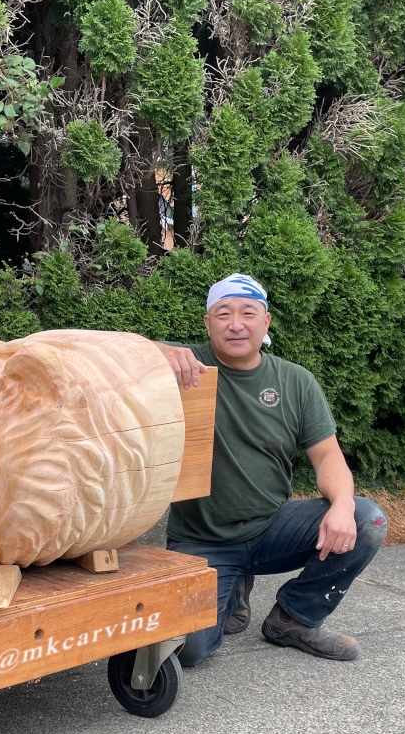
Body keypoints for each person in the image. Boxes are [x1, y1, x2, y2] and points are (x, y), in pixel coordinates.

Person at [155, 273, 388, 666]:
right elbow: (104, 351)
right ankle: (231, 591)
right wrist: (156, 349)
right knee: (187, 651)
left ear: (266, 321)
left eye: (248, 312)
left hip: (272, 528)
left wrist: (343, 505)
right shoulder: (183, 368)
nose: (236, 323)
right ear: (207, 322)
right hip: (202, 540)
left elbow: (329, 456)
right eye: (223, 313)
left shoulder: (296, 381)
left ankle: (295, 618)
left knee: (367, 520)